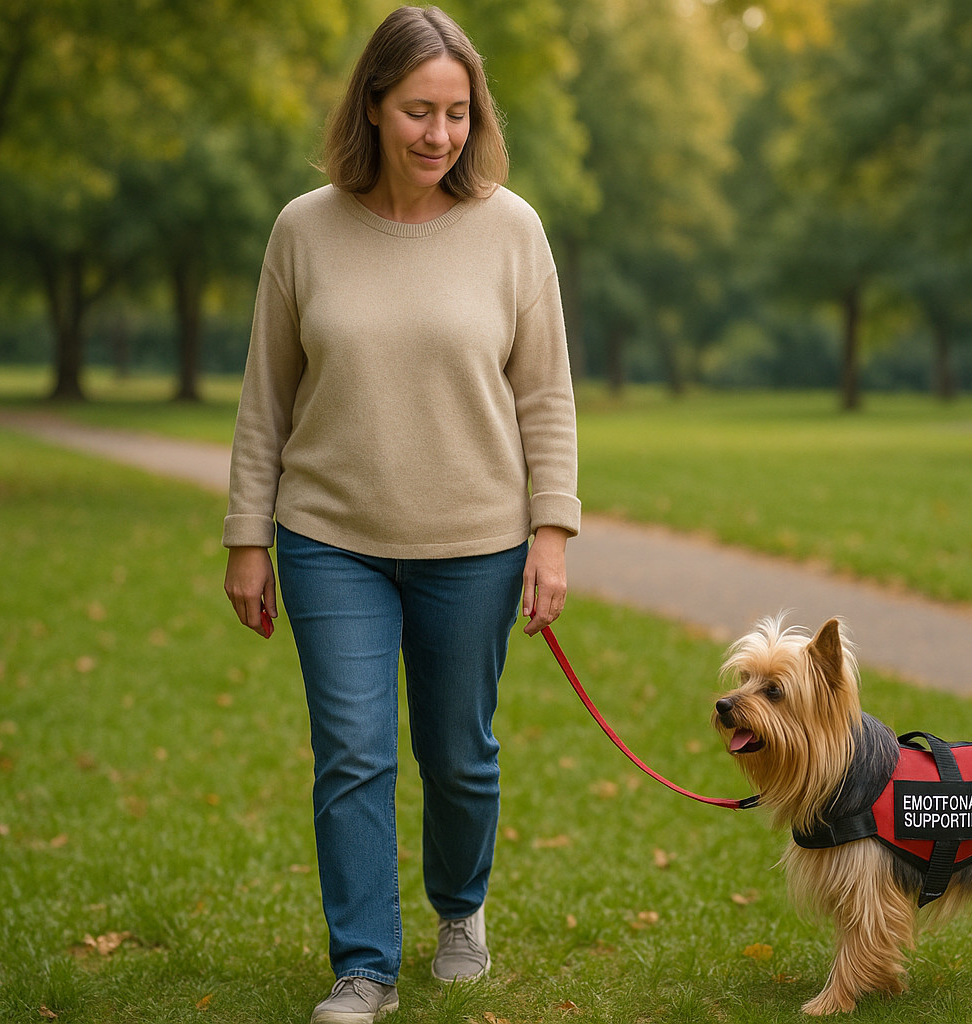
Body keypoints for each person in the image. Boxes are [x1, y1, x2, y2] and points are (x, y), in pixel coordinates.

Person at [222, 7, 579, 1022]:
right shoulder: (304, 229)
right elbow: (266, 398)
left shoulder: (512, 230)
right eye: (419, 110)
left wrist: (551, 533)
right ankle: (365, 965)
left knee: (459, 757)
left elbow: (546, 395)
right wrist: (248, 535)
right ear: (373, 105)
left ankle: (460, 909)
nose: (439, 134)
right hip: (329, 538)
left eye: (458, 113)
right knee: (353, 755)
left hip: (476, 542)